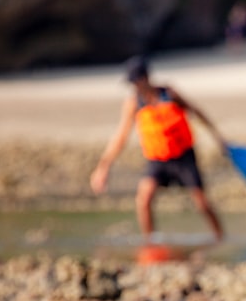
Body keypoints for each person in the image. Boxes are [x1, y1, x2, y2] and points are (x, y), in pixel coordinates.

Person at [90, 58, 225, 242]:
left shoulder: (169, 94)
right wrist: (103, 167)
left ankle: (219, 237)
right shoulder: (133, 103)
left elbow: (197, 111)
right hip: (158, 160)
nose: (134, 87)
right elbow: (120, 137)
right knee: (144, 198)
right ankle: (150, 242)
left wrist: (217, 137)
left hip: (183, 156)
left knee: (201, 202)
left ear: (145, 78)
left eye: (136, 81)